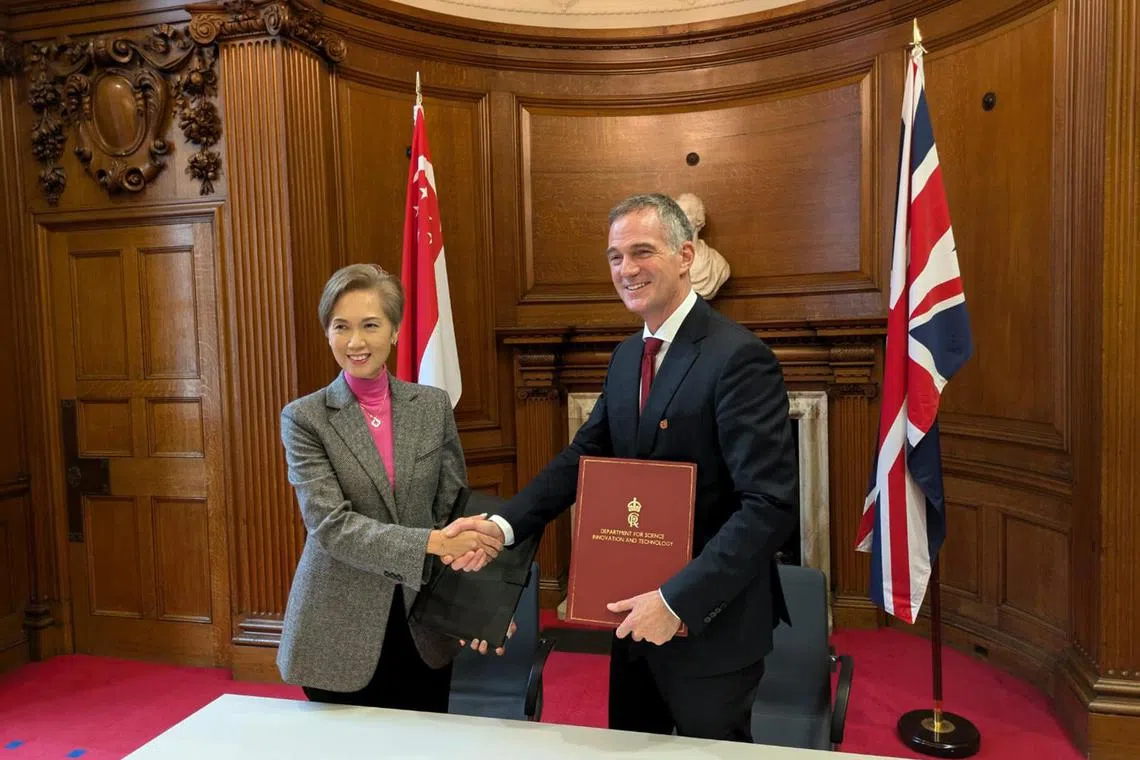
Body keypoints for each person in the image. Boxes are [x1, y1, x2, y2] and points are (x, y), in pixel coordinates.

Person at [450, 194, 798, 742]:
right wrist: (502, 525)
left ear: (685, 255)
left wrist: (676, 601)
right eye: (615, 256)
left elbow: (769, 506)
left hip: (710, 625)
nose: (626, 269)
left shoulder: (738, 358)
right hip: (631, 617)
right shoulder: (625, 358)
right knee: (632, 746)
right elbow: (580, 460)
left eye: (642, 251)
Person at [277, 263, 504, 711]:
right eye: (341, 327)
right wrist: (432, 543)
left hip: (425, 628)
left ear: (396, 331)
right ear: (327, 333)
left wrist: (483, 605)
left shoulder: (432, 407)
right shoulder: (305, 418)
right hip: (338, 628)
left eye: (370, 325)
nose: (355, 342)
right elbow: (331, 526)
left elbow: (452, 513)